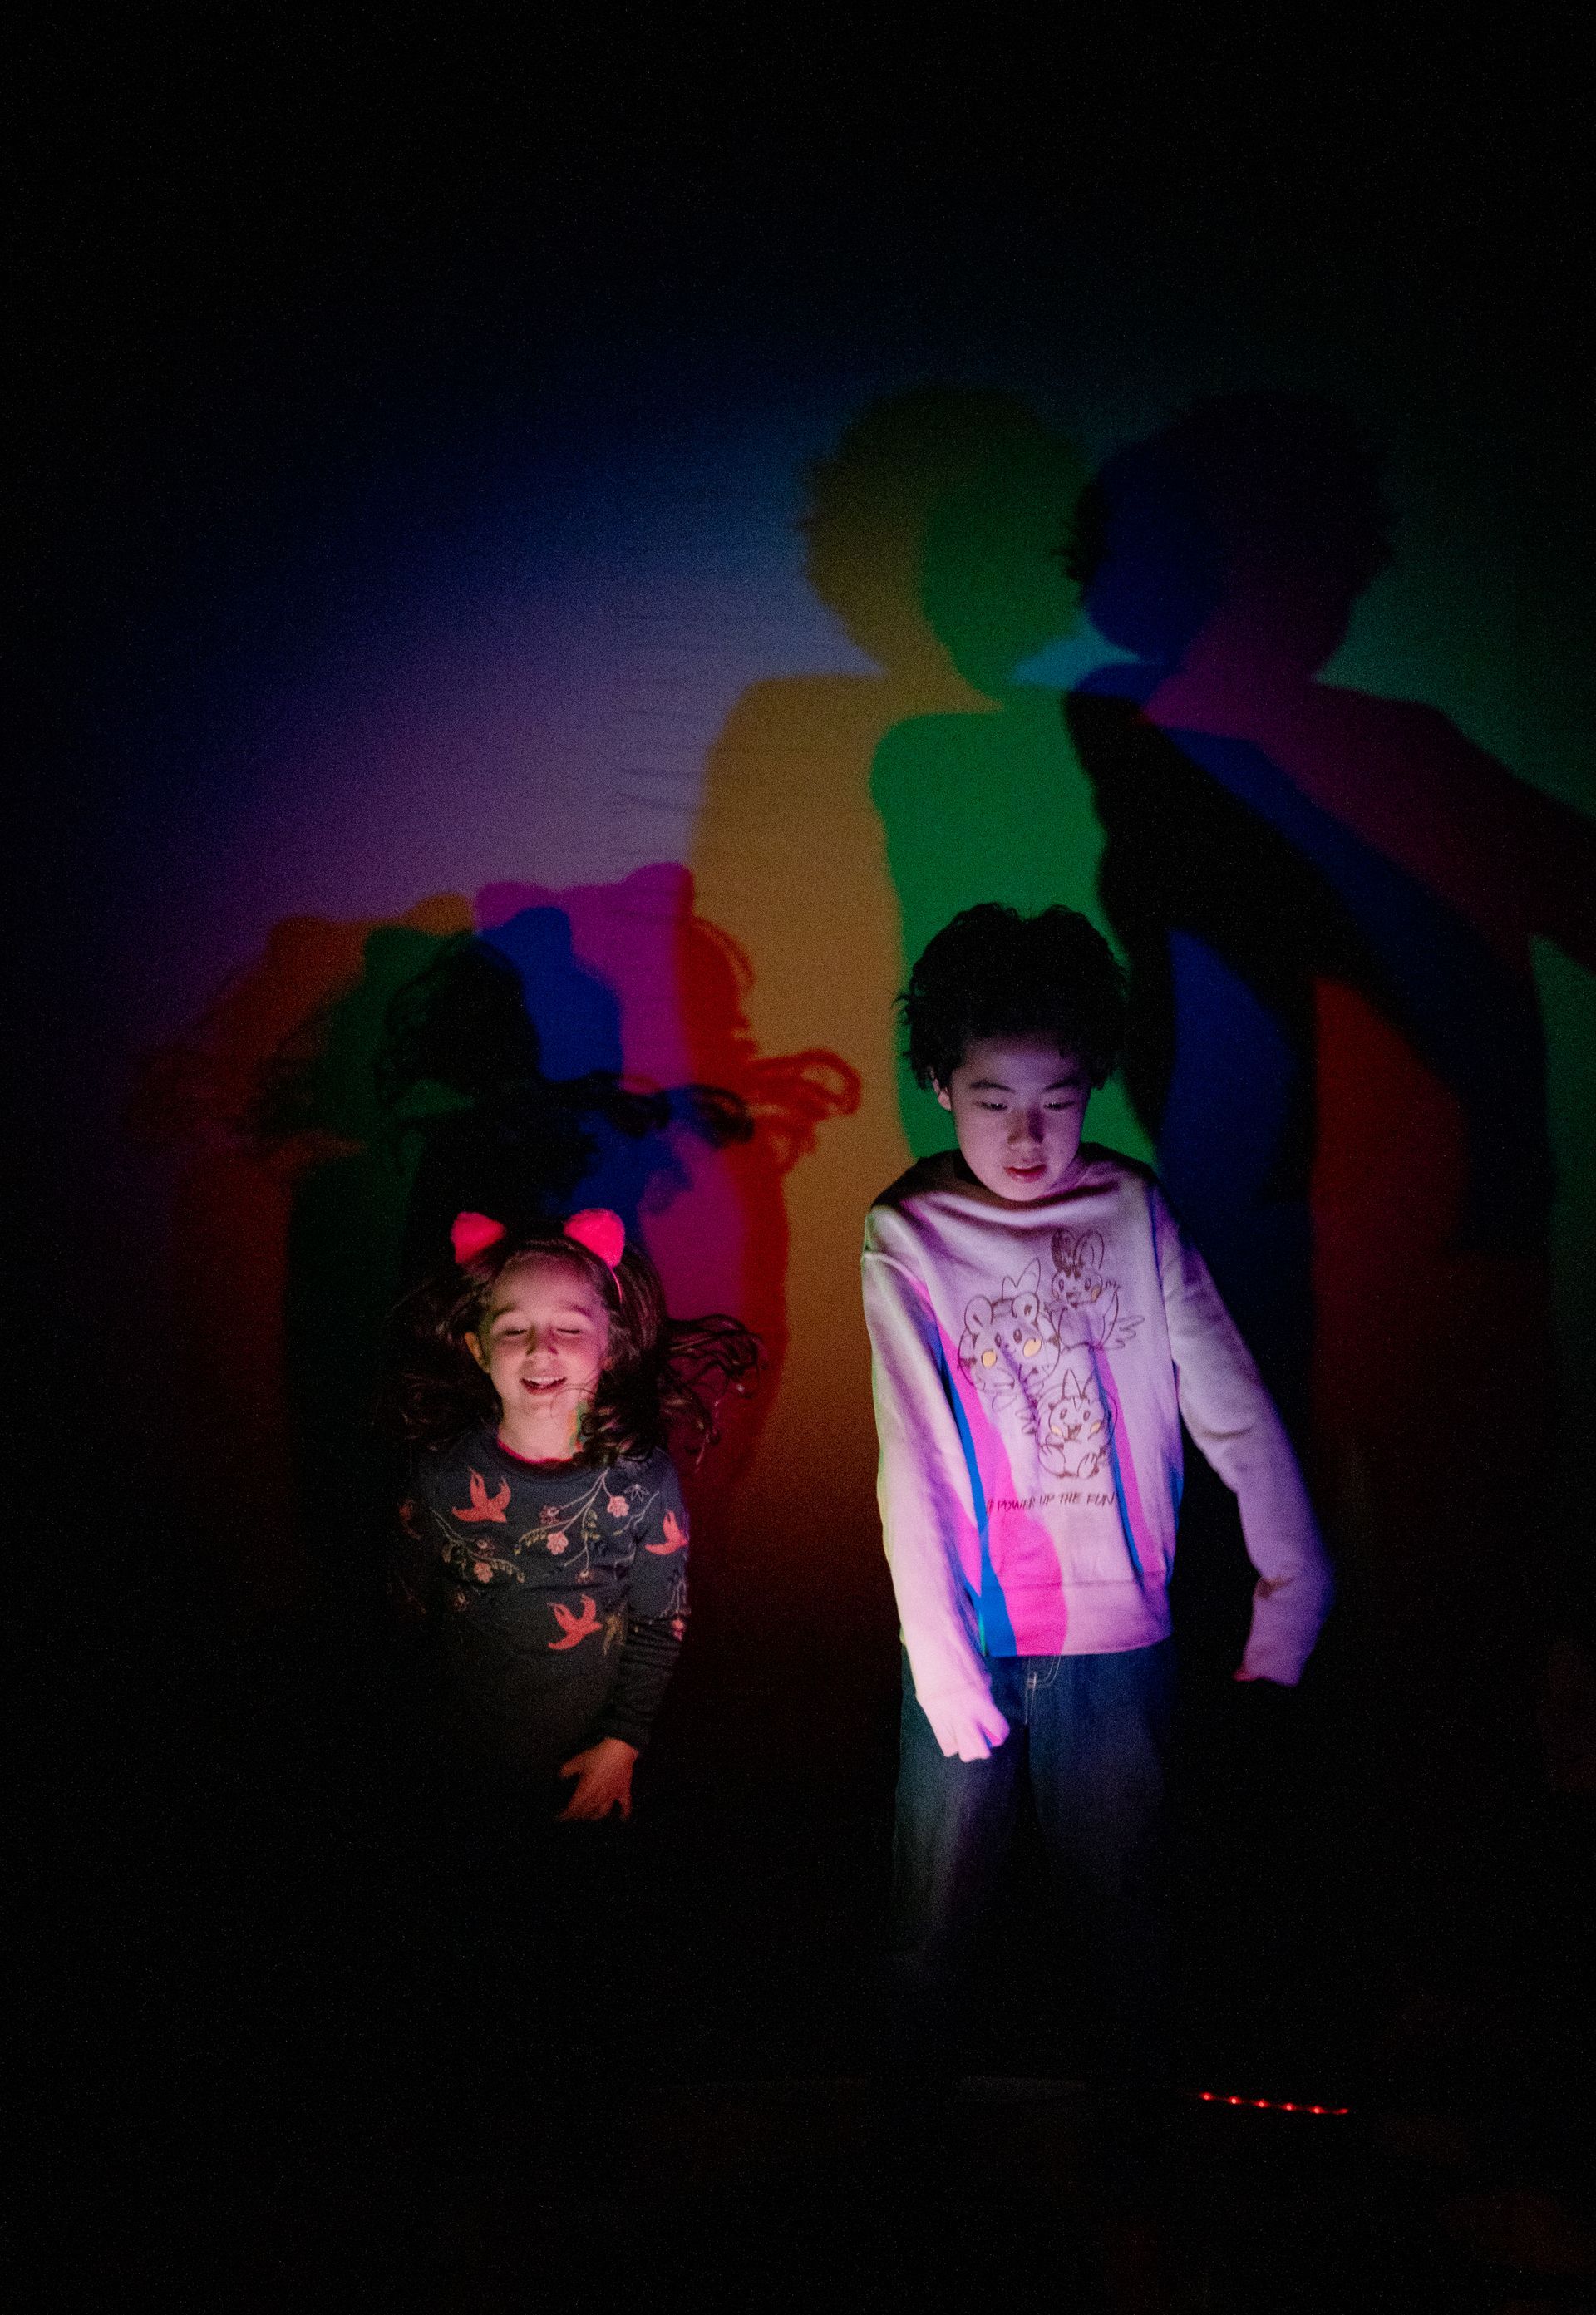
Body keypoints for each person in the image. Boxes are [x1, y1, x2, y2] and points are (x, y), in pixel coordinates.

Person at [861, 904, 1332, 2092]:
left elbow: (1232, 1400)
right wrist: (940, 1658)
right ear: (938, 1083)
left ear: (1093, 1087)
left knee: (1127, 1916)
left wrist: (1293, 1586)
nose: (1027, 1136)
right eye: (991, 1100)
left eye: (1058, 1100)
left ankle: (1144, 2167)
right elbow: (909, 1450)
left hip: (1120, 1638)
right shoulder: (908, 1230)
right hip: (966, 1633)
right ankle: (903, 2163)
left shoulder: (1131, 1210)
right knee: (932, 1925)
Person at [391, 1205, 758, 1933]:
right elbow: (404, 1613)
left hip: (589, 1769)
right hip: (459, 1770)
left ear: (611, 1346)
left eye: (569, 1327)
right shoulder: (438, 1474)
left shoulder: (642, 1485)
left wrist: (621, 1746)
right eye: (512, 1328)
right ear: (475, 1345)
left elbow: (661, 1621)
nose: (540, 1348)